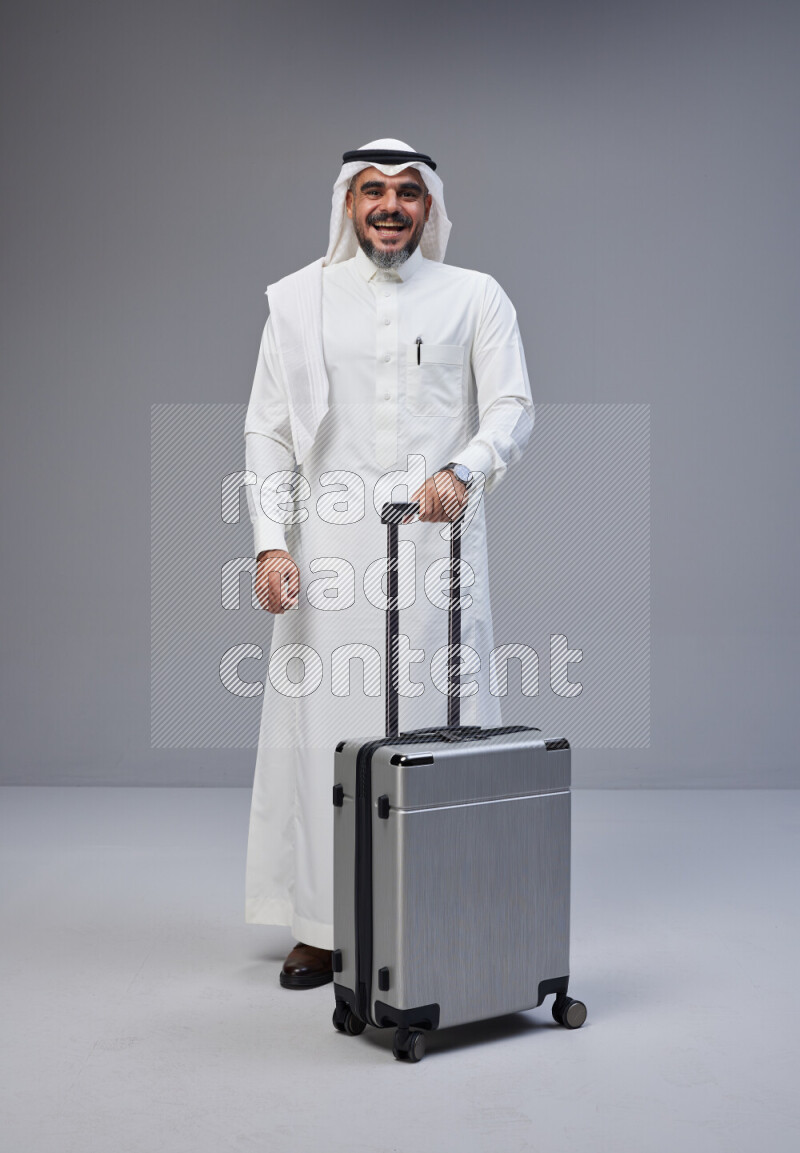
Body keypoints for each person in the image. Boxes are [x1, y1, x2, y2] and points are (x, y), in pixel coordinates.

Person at [244, 138, 534, 988]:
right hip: (329, 548)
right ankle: (322, 924)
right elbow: (266, 430)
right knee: (323, 729)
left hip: (437, 543)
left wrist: (465, 469)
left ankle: (445, 904)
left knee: (448, 723)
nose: (390, 206)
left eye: (408, 192)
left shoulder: (475, 297)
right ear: (347, 202)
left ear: (431, 206)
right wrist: (268, 540)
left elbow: (512, 407)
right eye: (373, 190)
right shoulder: (298, 302)